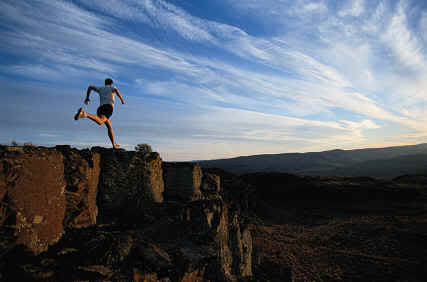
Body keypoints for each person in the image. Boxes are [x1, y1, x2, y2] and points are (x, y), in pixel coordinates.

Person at [74, 78, 125, 149]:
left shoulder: (101, 88)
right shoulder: (112, 87)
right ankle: (85, 114)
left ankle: (114, 145)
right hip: (108, 108)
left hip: (100, 109)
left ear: (105, 83)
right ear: (111, 83)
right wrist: (122, 99)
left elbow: (90, 87)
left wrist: (87, 98)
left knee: (109, 126)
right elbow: (116, 90)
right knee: (100, 122)